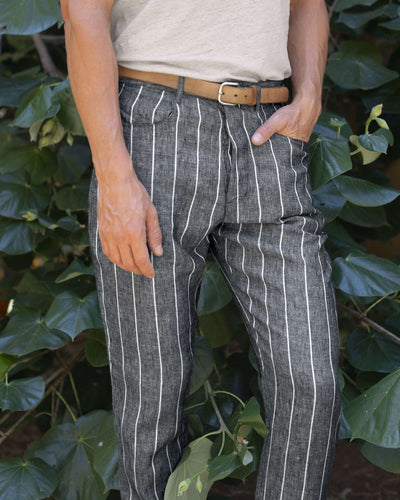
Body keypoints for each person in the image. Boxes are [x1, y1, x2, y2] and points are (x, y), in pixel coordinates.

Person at [60, 0, 342, 498]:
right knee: (152, 395)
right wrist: (114, 177)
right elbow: (82, 17)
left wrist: (310, 97)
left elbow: (308, 5)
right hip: (154, 133)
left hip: (269, 136)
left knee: (312, 380)